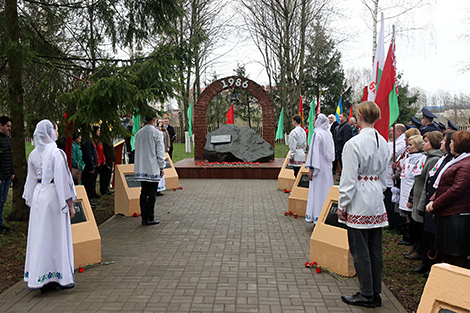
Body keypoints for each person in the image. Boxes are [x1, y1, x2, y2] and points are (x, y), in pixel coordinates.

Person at [337, 101, 391, 308]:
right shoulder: (383, 141)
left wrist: (343, 204)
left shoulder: (354, 143)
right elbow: (385, 176)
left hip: (360, 197)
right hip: (376, 195)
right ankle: (375, 291)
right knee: (375, 248)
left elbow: (349, 179)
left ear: (359, 117)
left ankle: (367, 293)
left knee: (360, 250)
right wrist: (379, 191)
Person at [23, 120, 76, 292]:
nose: (57, 133)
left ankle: (41, 276)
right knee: (55, 235)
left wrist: (32, 200)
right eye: (56, 130)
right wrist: (69, 203)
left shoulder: (33, 154)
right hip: (53, 195)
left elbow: (30, 180)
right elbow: (63, 180)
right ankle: (57, 275)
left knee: (41, 236)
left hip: (39, 194)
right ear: (50, 132)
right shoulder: (56, 153)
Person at [426, 130, 470, 269]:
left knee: (456, 257)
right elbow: (442, 185)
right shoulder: (458, 160)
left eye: (451, 142)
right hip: (448, 213)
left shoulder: (466, 164)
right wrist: (433, 199)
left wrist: (435, 204)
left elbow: (456, 189)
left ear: (459, 144)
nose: (449, 144)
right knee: (447, 255)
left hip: (457, 216)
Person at [415, 131, 455, 277]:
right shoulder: (443, 159)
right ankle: (426, 263)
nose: (443, 143)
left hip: (437, 203)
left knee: (434, 237)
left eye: (446, 141)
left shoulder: (452, 161)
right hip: (429, 199)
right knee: (427, 234)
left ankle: (433, 265)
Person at [405, 131, 444, 263]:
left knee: (423, 231)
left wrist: (421, 203)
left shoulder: (434, 159)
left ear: (433, 143)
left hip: (423, 198)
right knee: (417, 226)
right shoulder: (425, 157)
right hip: (417, 196)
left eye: (426, 141)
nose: (423, 143)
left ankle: (422, 253)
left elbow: (428, 183)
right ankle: (416, 249)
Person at [134, 116, 166, 226]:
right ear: (154, 119)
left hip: (142, 167)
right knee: (152, 194)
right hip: (152, 167)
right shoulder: (157, 133)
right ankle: (150, 217)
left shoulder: (139, 133)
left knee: (143, 192)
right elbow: (160, 152)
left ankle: (144, 217)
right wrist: (162, 166)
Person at [304, 114, 335, 223]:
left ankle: (317, 216)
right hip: (326, 166)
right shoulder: (328, 133)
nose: (312, 122)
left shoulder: (317, 134)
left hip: (319, 166)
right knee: (325, 190)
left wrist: (311, 168)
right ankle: (326, 215)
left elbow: (313, 152)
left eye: (314, 120)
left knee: (317, 192)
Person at [384, 124, 406, 234]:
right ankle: (391, 223)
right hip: (387, 175)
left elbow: (390, 154)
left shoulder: (401, 143)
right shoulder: (393, 142)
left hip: (393, 176)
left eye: (393, 131)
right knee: (388, 200)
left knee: (393, 202)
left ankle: (396, 225)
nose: (391, 133)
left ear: (399, 132)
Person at [0, 116, 15, 235]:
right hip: (1, 176)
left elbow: (10, 157)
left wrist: (12, 171)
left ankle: (0, 224)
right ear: (1, 125)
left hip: (7, 175)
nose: (9, 128)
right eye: (7, 126)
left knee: (3, 200)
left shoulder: (7, 139)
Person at [81, 130, 98, 205]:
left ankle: (90, 199)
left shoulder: (88, 140)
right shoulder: (86, 141)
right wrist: (91, 167)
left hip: (90, 165)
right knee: (87, 185)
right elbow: (88, 154)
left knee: (91, 184)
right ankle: (88, 201)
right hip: (88, 168)